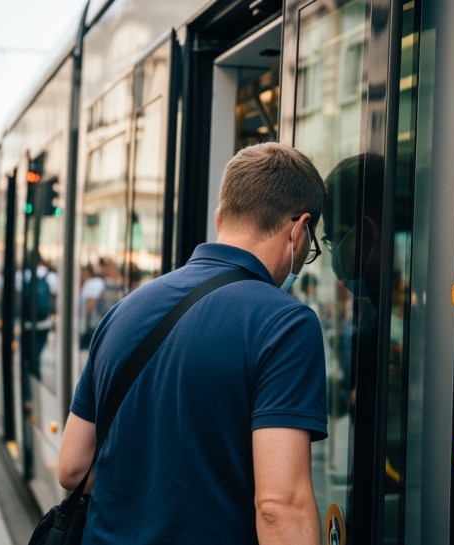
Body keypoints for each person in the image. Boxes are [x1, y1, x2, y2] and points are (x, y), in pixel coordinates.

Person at [58, 142, 327, 543]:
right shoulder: (285, 324)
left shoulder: (126, 309)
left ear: (220, 218)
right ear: (300, 228)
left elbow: (73, 467)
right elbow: (279, 507)